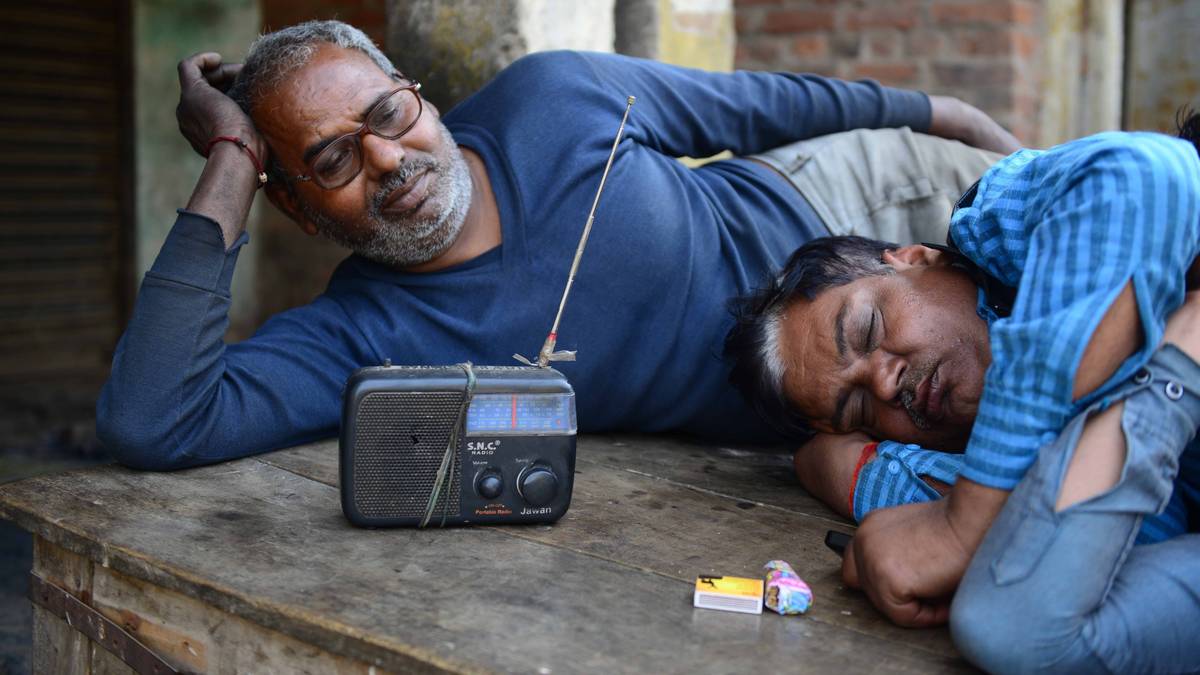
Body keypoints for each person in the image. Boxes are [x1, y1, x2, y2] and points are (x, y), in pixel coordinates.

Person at [98, 20, 1014, 470]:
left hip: (840, 207)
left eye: (388, 113)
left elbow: (760, 106)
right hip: (834, 393)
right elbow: (152, 419)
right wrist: (230, 158)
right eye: (332, 158)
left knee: (1105, 247)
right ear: (300, 211)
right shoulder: (362, 337)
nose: (386, 157)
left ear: (418, 96)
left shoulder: (555, 97)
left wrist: (947, 116)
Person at [726, 116, 1200, 671]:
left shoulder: (1003, 227)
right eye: (858, 410)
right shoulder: (992, 455)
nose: (884, 383)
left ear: (917, 259)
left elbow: (1149, 176)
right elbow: (1136, 533)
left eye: (868, 330)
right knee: (1005, 629)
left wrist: (966, 520)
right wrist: (853, 470)